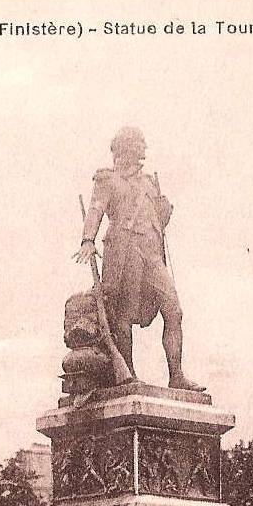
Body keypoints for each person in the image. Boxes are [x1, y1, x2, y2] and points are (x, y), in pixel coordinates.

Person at [74, 126, 204, 391]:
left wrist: (164, 210)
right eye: (140, 143)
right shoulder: (107, 179)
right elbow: (96, 209)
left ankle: (176, 375)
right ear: (127, 148)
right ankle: (128, 374)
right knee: (123, 315)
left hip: (152, 254)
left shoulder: (148, 182)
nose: (145, 148)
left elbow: (159, 218)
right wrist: (88, 239)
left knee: (174, 311)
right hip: (125, 252)